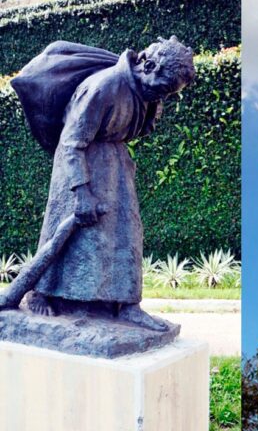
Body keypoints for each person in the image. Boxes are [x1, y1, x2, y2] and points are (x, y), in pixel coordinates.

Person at [9, 37, 196, 330]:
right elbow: (71, 142)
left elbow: (135, 125)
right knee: (64, 231)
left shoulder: (143, 92)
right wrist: (81, 192)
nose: (162, 98)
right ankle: (40, 293)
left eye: (169, 94)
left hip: (115, 163)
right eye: (162, 90)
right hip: (79, 163)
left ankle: (125, 305)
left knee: (127, 231)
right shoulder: (102, 87)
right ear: (147, 66)